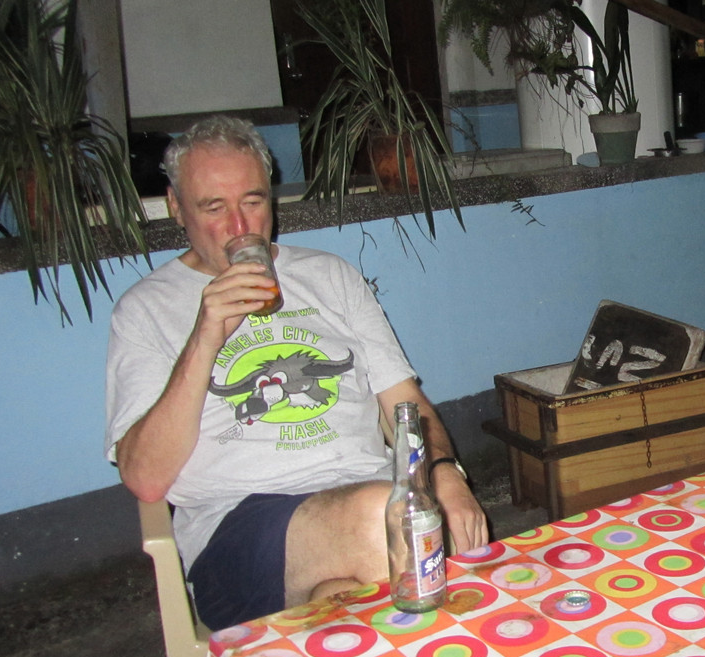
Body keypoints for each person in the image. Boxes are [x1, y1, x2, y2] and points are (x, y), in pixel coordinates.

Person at [104, 116, 487, 629]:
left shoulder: (330, 276)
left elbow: (406, 406)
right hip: (238, 530)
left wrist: (445, 474)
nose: (240, 227)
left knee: (346, 603)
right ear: (176, 206)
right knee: (387, 522)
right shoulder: (145, 310)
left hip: (367, 499)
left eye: (253, 201)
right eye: (214, 208)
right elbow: (145, 480)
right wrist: (205, 336)